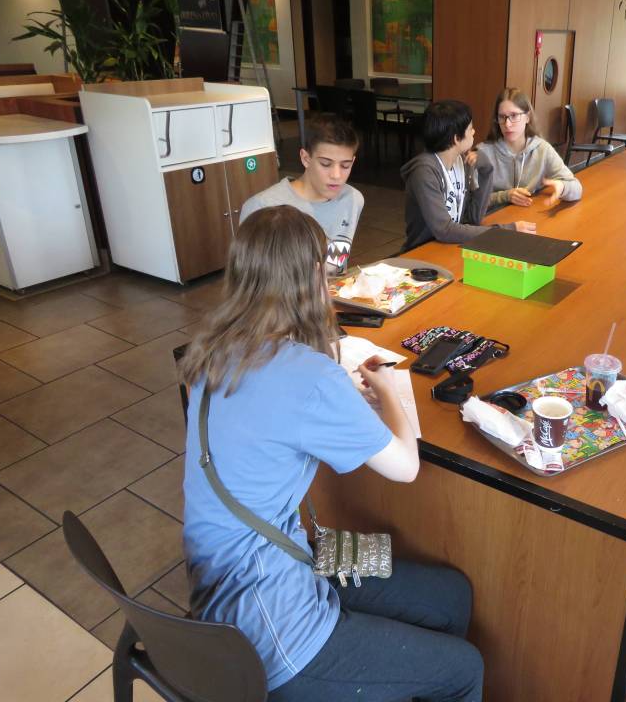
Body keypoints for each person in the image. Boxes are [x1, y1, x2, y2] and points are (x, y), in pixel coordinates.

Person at [179, 205, 484, 702]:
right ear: (313, 278)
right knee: (465, 668)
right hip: (275, 632)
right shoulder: (310, 376)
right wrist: (386, 389)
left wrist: (337, 396)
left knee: (451, 595)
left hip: (231, 586)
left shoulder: (210, 355)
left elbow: (268, 417)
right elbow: (405, 466)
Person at [402, 99, 536, 250]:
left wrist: (486, 170)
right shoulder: (424, 172)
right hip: (423, 251)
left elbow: (473, 218)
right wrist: (506, 231)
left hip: (451, 247)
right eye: (470, 129)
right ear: (456, 138)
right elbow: (445, 230)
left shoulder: (461, 161)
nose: (474, 132)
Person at [240, 114, 363, 276]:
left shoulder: (353, 199)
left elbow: (334, 269)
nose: (336, 175)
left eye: (345, 166)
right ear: (305, 158)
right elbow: (249, 280)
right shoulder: (262, 207)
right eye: (325, 164)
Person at [478, 88, 582, 208]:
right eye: (502, 117)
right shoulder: (483, 153)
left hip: (528, 214)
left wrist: (562, 187)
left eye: (514, 116)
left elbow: (577, 189)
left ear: (527, 117)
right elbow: (469, 201)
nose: (507, 124)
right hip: (493, 217)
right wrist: (504, 196)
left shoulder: (542, 149)